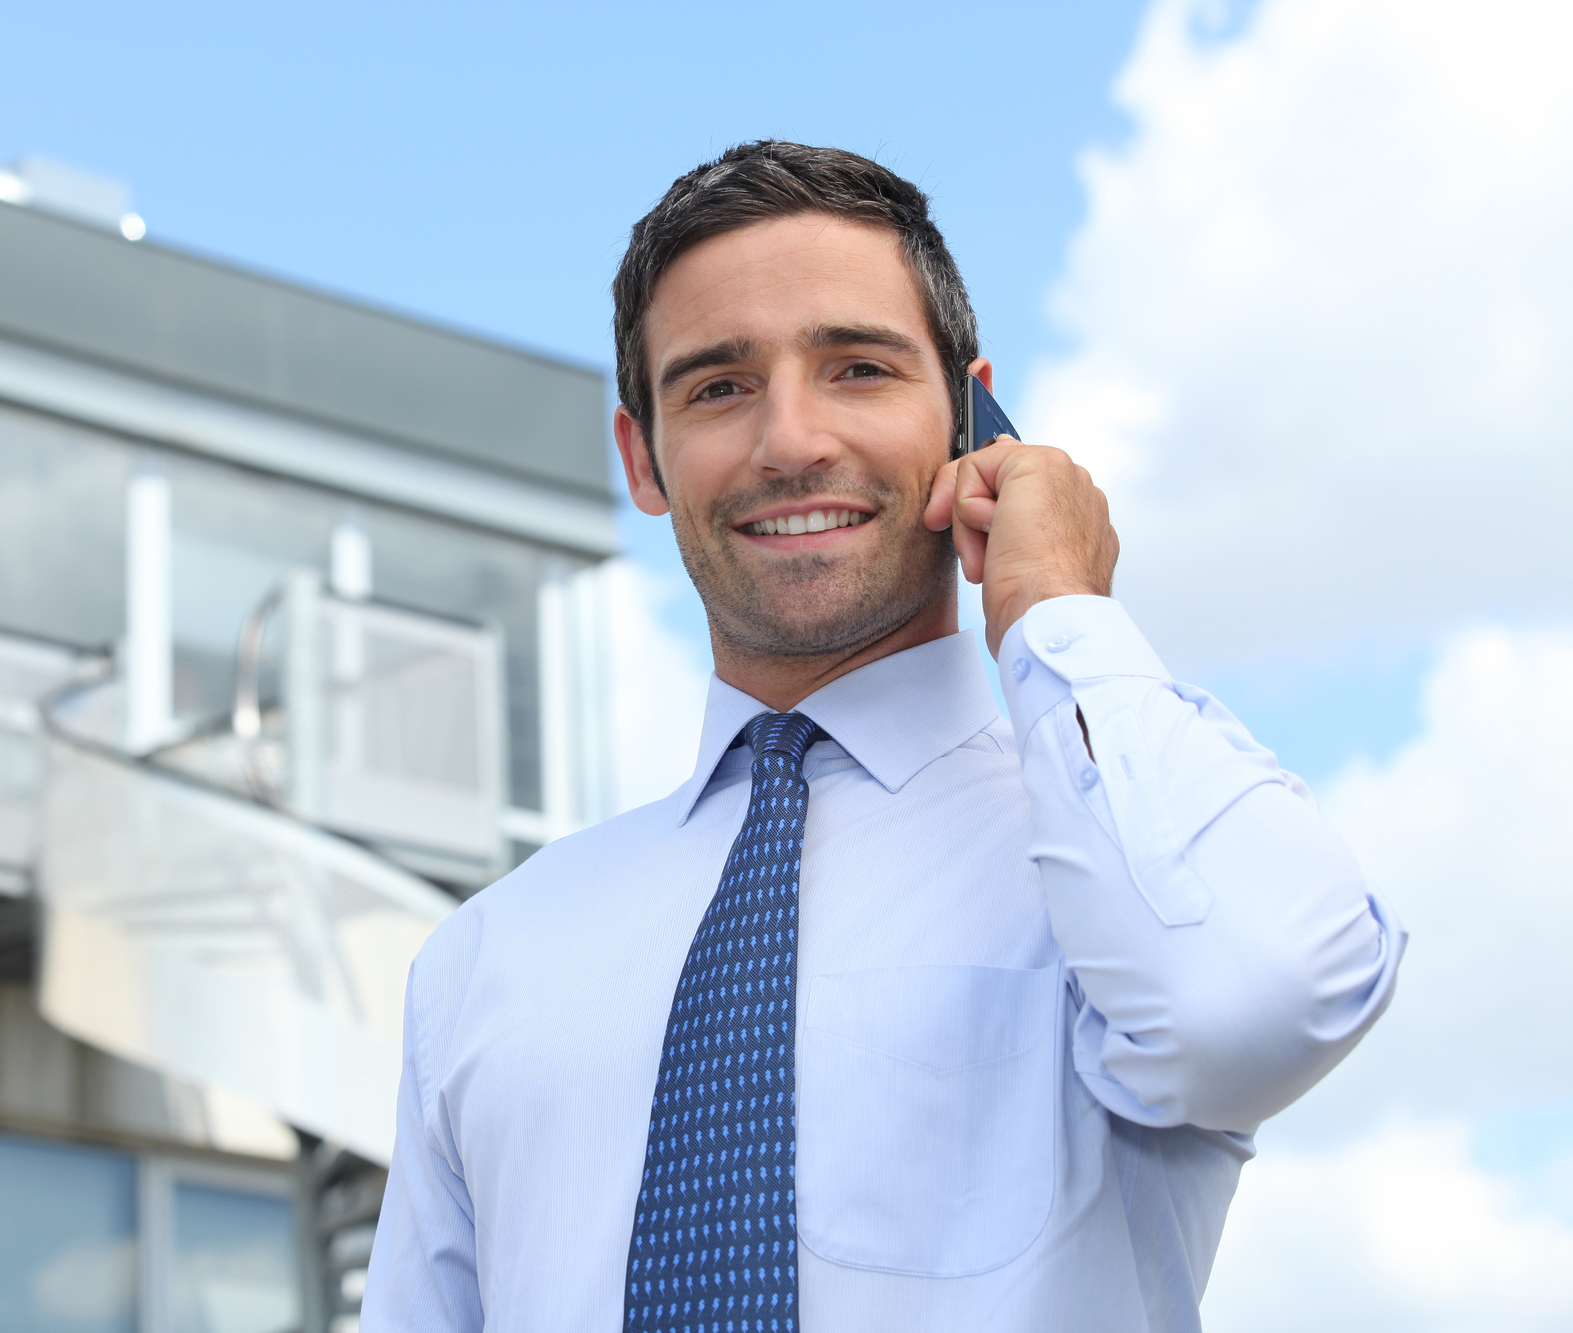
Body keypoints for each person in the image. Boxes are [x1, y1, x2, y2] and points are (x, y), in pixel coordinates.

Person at [362, 141, 1402, 1332]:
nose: (789, 441)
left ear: (968, 417)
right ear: (641, 458)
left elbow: (1250, 1006)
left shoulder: (1111, 859)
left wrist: (1055, 607)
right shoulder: (484, 959)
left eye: (856, 368)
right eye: (716, 386)